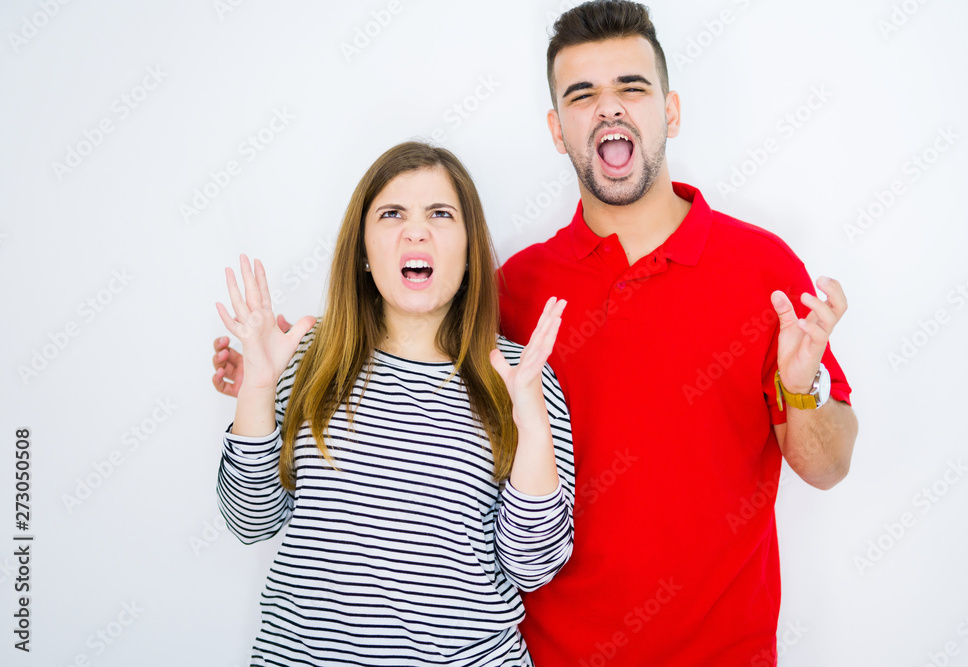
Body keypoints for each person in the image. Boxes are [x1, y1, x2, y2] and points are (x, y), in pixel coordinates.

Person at [213, 2, 859, 665]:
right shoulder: (513, 290)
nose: (609, 108)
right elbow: (410, 356)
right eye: (582, 95)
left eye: (632, 87)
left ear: (670, 111)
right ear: (557, 129)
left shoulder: (763, 271)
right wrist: (282, 372)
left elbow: (828, 467)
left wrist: (800, 388)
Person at [214, 141, 574, 666]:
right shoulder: (307, 357)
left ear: (470, 249)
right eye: (392, 213)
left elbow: (533, 566)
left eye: (440, 214)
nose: (416, 231)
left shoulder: (521, 376)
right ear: (363, 249)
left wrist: (532, 424)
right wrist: (259, 387)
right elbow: (250, 520)